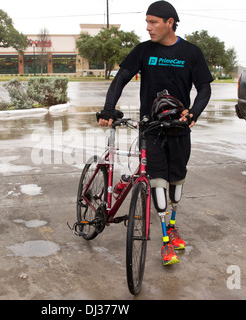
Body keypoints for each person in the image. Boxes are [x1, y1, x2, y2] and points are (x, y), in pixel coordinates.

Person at [98, 1, 213, 265]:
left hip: (180, 128)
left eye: (153, 22)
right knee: (158, 181)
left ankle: (172, 228)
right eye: (147, 22)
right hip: (151, 128)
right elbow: (121, 78)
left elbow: (204, 88)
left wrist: (193, 112)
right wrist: (108, 107)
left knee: (177, 181)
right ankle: (164, 242)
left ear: (170, 22)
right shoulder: (143, 51)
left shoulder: (191, 52)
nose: (148, 27)